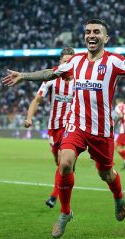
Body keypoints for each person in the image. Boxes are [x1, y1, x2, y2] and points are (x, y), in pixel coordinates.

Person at [2, 18, 125, 238]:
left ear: (106, 38)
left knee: (106, 173)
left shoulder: (114, 62)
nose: (91, 35)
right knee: (65, 163)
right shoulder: (75, 61)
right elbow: (51, 73)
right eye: (88, 32)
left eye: (97, 32)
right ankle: (65, 212)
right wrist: (23, 76)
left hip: (101, 130)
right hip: (76, 124)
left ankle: (118, 196)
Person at [25, 47, 75, 208]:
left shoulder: (80, 80)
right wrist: (29, 118)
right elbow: (37, 100)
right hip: (54, 127)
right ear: (60, 62)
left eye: (70, 61)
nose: (67, 63)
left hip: (71, 127)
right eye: (65, 61)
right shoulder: (51, 79)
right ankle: (68, 171)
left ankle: (54, 196)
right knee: (57, 161)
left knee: (62, 162)